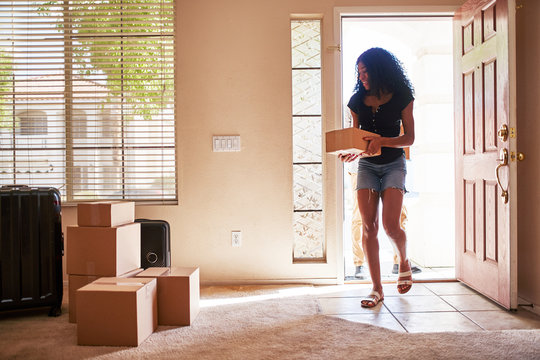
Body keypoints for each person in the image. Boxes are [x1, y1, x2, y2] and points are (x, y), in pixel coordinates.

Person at [339, 47, 415, 307]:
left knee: (391, 225)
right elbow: (357, 139)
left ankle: (403, 260)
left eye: (366, 71)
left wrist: (382, 141)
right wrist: (351, 153)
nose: (361, 77)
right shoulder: (357, 100)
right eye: (359, 72)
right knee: (368, 226)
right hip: (367, 167)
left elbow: (409, 138)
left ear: (380, 70)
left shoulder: (402, 96)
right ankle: (377, 289)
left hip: (394, 164)